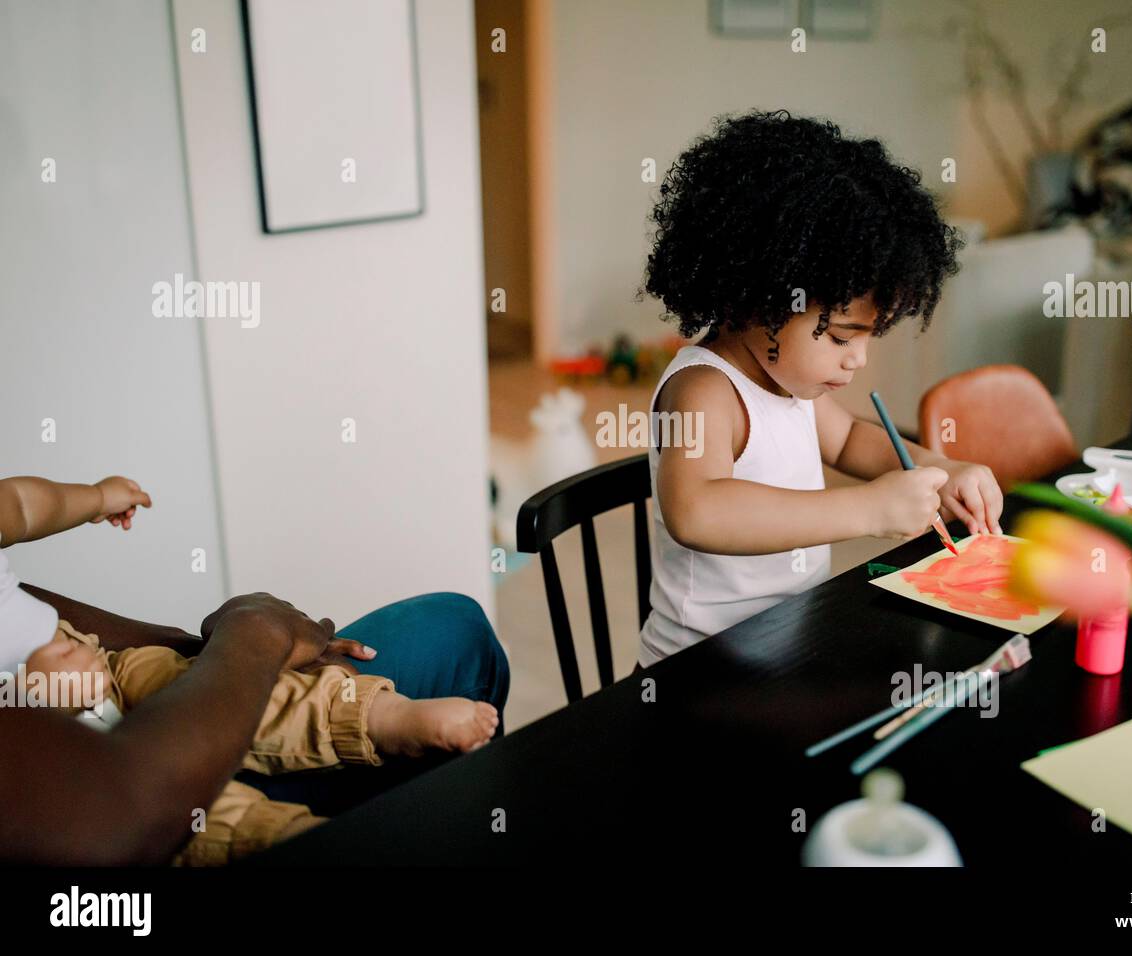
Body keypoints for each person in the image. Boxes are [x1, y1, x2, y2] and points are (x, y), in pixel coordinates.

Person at [634, 110, 1003, 668]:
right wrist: (867, 510)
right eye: (837, 336)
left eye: (868, 337)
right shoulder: (703, 391)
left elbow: (851, 438)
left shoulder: (788, 381)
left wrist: (938, 468)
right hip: (700, 668)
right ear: (756, 297)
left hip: (788, 637)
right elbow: (697, 510)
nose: (857, 360)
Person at [0, 474, 509, 863]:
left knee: (450, 627)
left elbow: (23, 505)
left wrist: (95, 497)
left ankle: (381, 717)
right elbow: (122, 815)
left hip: (107, 672)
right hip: (90, 792)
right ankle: (291, 835)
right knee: (213, 823)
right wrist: (254, 634)